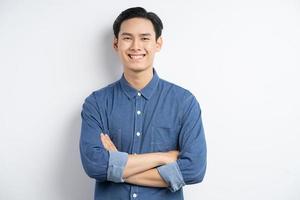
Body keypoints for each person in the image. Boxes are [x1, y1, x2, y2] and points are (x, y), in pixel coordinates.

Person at [79, 7, 207, 200]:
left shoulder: (184, 102)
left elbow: (194, 170)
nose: (136, 46)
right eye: (127, 38)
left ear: (158, 44)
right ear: (116, 44)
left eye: (145, 38)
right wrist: (163, 158)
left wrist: (116, 167)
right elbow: (95, 165)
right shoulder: (97, 103)